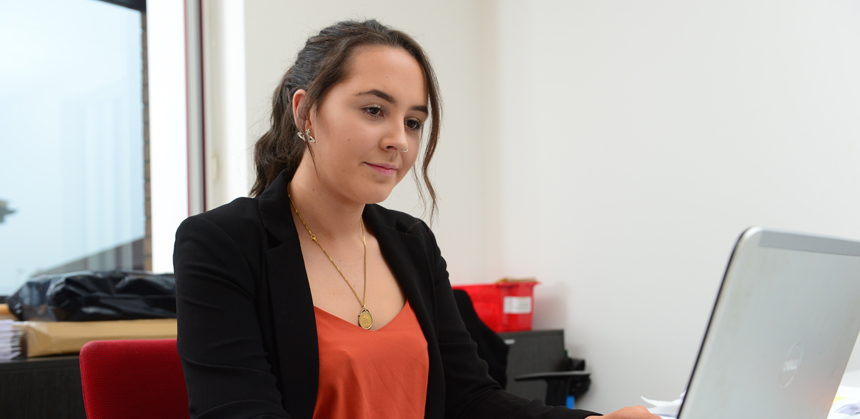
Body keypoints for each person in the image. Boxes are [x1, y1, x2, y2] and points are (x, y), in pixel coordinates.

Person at [174, 19, 660, 419]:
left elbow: (471, 400)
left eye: (413, 122)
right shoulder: (221, 244)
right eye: (373, 110)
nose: (400, 142)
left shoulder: (412, 242)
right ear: (305, 113)